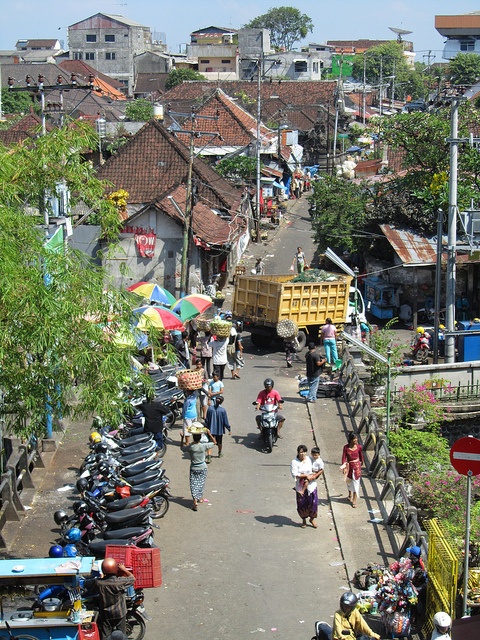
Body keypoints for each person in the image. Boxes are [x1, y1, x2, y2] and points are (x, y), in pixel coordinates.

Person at [95, 557, 135, 640]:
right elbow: (132, 579)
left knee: (105, 635)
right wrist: (124, 569)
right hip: (119, 612)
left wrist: (101, 577)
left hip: (106, 614)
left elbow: (88, 585)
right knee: (121, 635)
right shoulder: (119, 582)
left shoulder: (99, 583)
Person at [185, 424, 216, 510]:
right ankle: (200, 498)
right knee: (201, 483)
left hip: (193, 467)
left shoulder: (191, 447)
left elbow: (182, 448)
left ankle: (195, 500)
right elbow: (214, 443)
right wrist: (209, 434)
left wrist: (182, 437)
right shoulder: (203, 446)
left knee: (193, 484)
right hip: (203, 467)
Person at [290, 444, 319, 528]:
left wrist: (313, 476)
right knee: (302, 503)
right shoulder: (294, 462)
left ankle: (312, 519)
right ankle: (304, 520)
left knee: (313, 502)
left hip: (311, 485)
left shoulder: (310, 459)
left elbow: (317, 468)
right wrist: (306, 476)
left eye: (304, 452)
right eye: (301, 452)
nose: (302, 454)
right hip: (300, 485)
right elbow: (295, 474)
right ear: (298, 453)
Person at [341, 432, 363, 508]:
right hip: (349, 467)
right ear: (350, 440)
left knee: (356, 483)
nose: (355, 440)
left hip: (357, 467)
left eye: (356, 438)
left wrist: (361, 464)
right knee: (349, 482)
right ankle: (350, 494)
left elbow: (361, 457)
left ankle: (354, 500)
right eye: (354, 439)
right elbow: (344, 458)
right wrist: (344, 466)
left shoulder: (359, 447)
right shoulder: (346, 448)